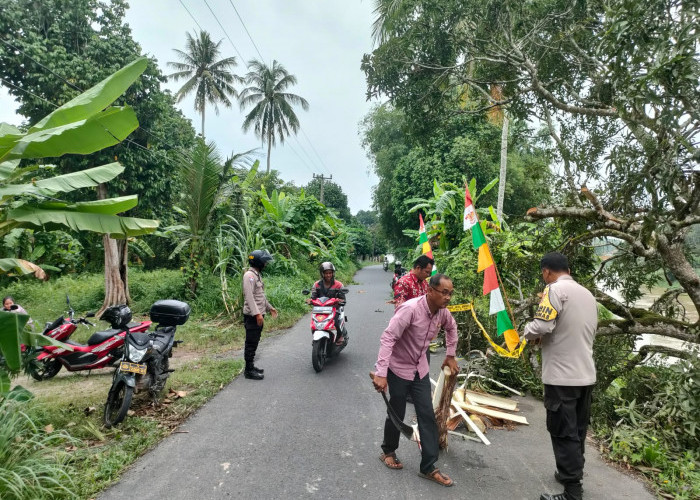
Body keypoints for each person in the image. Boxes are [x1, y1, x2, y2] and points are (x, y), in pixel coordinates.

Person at [523, 252, 598, 500]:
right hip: (585, 375)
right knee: (577, 430)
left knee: (563, 432)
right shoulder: (587, 294)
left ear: (546, 272)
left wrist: (526, 333)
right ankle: (570, 473)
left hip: (561, 378)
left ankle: (572, 493)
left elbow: (542, 325)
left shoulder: (553, 290)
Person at [372, 273, 459, 488]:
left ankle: (428, 467)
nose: (447, 298)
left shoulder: (442, 313)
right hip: (398, 368)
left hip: (420, 369)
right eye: (444, 292)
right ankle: (388, 451)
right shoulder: (410, 309)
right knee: (397, 410)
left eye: (450, 294)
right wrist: (381, 373)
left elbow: (451, 328)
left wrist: (450, 354)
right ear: (430, 291)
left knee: (426, 415)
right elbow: (388, 337)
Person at [242, 250, 278, 380]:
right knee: (251, 342)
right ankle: (248, 370)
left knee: (255, 341)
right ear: (258, 262)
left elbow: (260, 296)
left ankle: (251, 366)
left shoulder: (257, 275)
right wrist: (257, 314)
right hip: (252, 316)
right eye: (264, 262)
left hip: (258, 314)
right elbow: (249, 297)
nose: (266, 264)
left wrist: (270, 308)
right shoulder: (249, 276)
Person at [309, 262, 346, 344]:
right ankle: (316, 337)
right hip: (320, 309)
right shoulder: (316, 285)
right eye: (326, 273)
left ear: (333, 273)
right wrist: (310, 301)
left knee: (336, 322)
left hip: (334, 308)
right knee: (314, 324)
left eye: (330, 273)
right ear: (322, 274)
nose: (328, 275)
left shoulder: (339, 285)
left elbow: (343, 299)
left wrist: (340, 301)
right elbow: (313, 297)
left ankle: (339, 336)